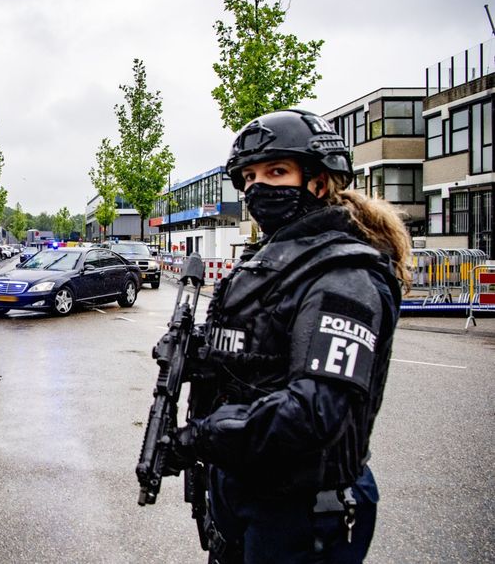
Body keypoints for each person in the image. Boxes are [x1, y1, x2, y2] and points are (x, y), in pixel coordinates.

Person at [167, 109, 410, 563]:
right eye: (250, 176)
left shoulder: (342, 276)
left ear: (319, 181)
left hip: (304, 509)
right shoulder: (269, 263)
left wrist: (201, 438)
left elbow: (315, 411)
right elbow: (254, 355)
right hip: (247, 495)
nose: (260, 187)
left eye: (277, 171)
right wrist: (196, 354)